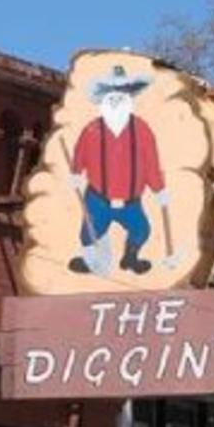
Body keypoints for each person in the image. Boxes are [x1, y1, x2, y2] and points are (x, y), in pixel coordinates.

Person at [68, 65, 168, 273]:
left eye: (121, 95)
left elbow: (151, 162)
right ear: (103, 98)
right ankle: (89, 260)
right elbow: (80, 154)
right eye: (111, 95)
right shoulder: (92, 130)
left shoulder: (141, 130)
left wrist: (159, 189)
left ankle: (130, 258)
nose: (116, 99)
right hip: (98, 197)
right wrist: (76, 173)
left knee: (141, 229)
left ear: (129, 98)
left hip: (130, 200)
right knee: (89, 231)